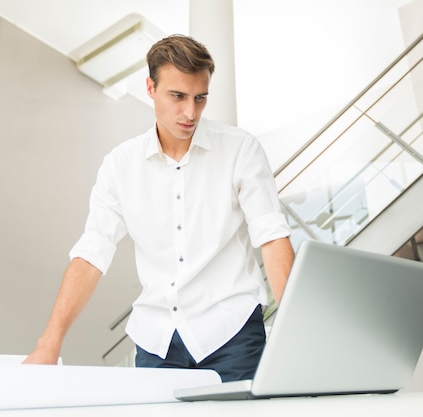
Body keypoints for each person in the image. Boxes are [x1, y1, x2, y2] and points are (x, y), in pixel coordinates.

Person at [23, 34, 295, 382]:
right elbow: (92, 253)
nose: (190, 112)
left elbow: (271, 236)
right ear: (151, 88)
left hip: (233, 335)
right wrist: (51, 342)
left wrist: (293, 329)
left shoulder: (241, 150)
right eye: (177, 96)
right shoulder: (120, 165)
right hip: (157, 342)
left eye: (200, 98)